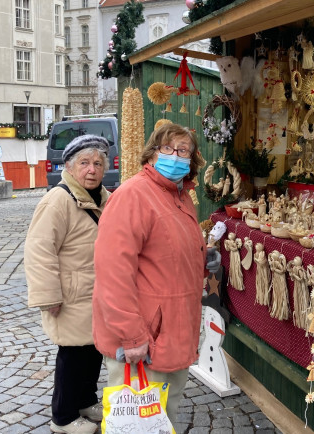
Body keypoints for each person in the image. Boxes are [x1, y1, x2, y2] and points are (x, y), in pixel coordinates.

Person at [92, 123, 210, 426]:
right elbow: (113, 272)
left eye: (183, 150)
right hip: (144, 338)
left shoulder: (180, 195)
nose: (175, 155)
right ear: (152, 153)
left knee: (162, 416)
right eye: (167, 148)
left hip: (173, 331)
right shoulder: (134, 195)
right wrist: (131, 337)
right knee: (136, 422)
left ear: (192, 158)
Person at [25, 135, 111, 434]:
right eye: (85, 163)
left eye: (98, 163)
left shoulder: (105, 197)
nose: (92, 170)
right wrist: (48, 296)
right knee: (72, 356)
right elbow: (39, 249)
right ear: (70, 167)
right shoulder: (57, 200)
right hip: (71, 294)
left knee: (93, 350)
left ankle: (86, 401)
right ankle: (62, 417)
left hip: (98, 293)